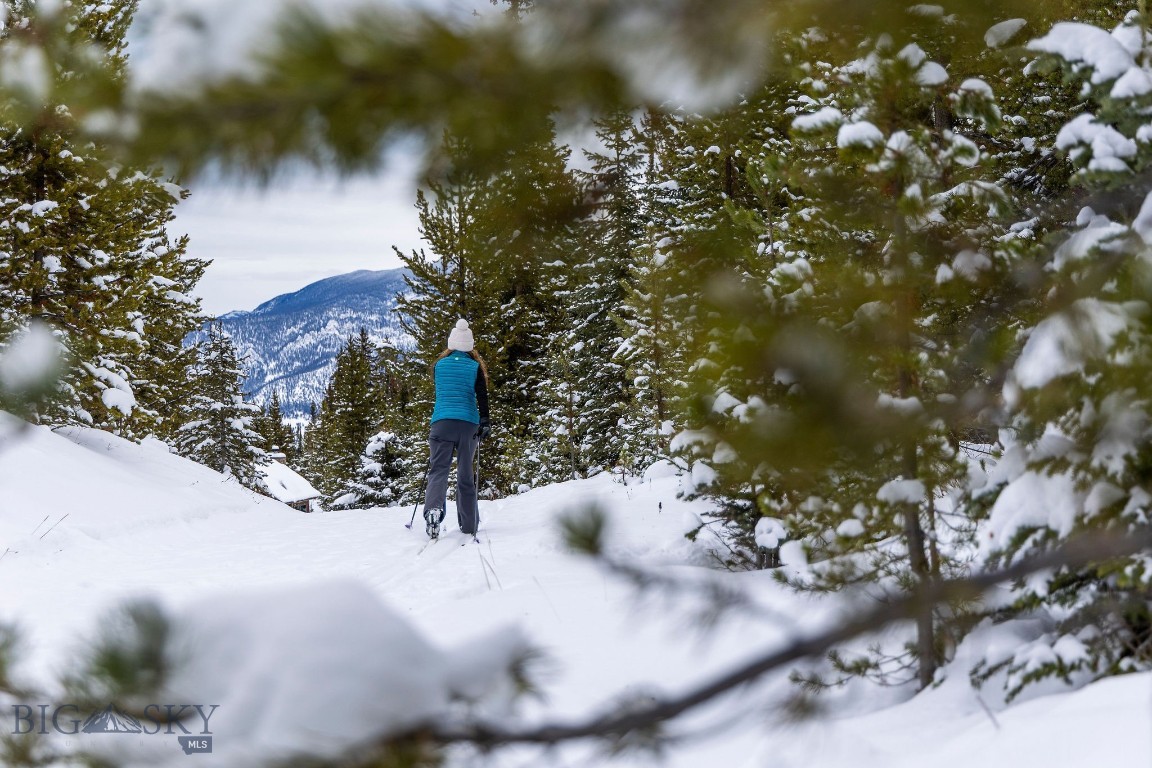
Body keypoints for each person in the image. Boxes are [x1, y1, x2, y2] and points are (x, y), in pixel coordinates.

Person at [422, 319, 491, 539]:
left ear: (451, 343)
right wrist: (485, 421)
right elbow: (482, 396)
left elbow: (441, 392)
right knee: (464, 474)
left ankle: (433, 510)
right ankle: (469, 524)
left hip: (441, 422)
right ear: (470, 345)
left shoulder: (439, 365)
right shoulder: (475, 367)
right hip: (468, 424)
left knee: (438, 470)